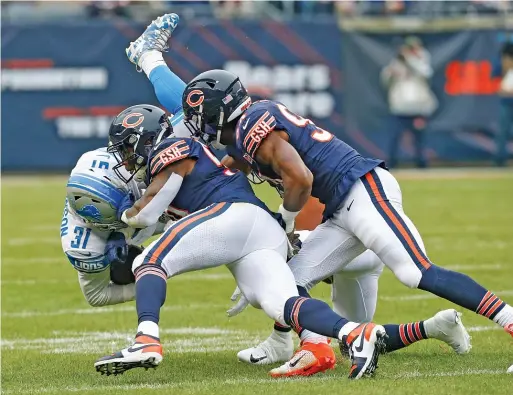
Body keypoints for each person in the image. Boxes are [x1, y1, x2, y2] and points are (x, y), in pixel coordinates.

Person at [121, 13, 472, 379]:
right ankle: (433, 328)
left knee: (306, 295)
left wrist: (281, 226)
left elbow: (298, 190)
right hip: (338, 225)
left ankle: (149, 57)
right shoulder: (248, 140)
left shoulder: (264, 141)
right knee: (335, 323)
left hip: (355, 230)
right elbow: (226, 160)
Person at [179, 68, 513, 373]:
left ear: (215, 110)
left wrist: (285, 223)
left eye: (198, 115)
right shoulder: (245, 134)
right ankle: (314, 349)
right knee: (287, 283)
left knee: (415, 271)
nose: (197, 124)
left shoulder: (254, 125)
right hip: (341, 209)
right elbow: (225, 174)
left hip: (363, 189)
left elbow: (301, 179)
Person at [93, 102, 388, 380]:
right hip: (260, 229)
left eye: (128, 150)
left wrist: (120, 212)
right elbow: (159, 219)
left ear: (146, 140)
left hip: (234, 215)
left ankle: (146, 341)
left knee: (150, 261)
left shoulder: (172, 148)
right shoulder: (178, 158)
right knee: (280, 303)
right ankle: (353, 333)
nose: (126, 160)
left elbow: (145, 214)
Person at [381, 36, 437, 168]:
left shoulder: (422, 59)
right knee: (395, 137)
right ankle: (392, 163)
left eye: (413, 48)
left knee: (420, 139)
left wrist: (410, 59)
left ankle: (421, 163)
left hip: (418, 107)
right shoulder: (397, 62)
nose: (410, 51)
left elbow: (426, 73)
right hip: (400, 107)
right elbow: (385, 80)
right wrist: (392, 70)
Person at [492, 41, 513, 166]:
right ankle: (499, 159)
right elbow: (494, 74)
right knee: (502, 131)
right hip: (506, 102)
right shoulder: (503, 67)